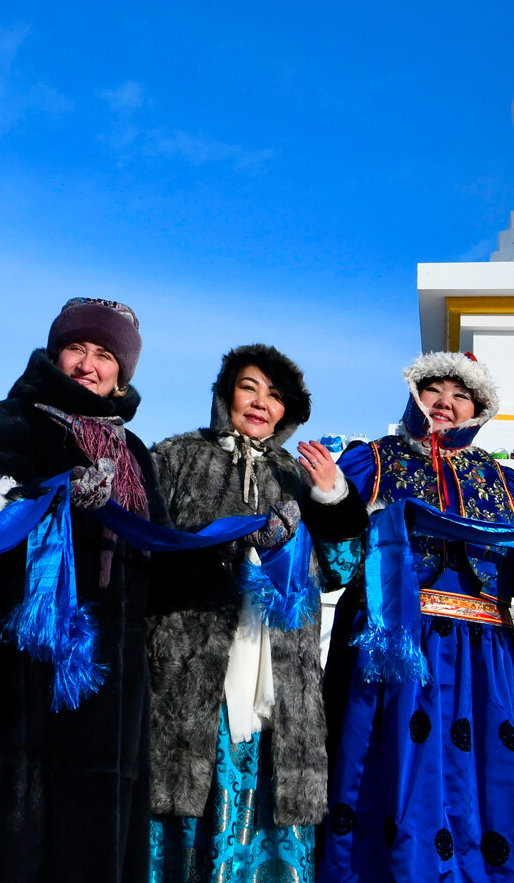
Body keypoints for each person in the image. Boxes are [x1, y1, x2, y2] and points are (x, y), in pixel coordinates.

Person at [0, 298, 171, 883]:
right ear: (57, 354)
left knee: (87, 825)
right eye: (77, 348)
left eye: (105, 354)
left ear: (122, 372)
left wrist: (239, 546)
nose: (88, 364)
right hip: (18, 655)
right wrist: (51, 493)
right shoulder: (18, 418)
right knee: (7, 816)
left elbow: (158, 548)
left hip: (107, 669)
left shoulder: (133, 452)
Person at [321, 352, 514, 883]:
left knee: (487, 777)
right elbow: (335, 556)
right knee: (395, 778)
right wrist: (331, 497)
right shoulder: (374, 461)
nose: (446, 402)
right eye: (436, 389)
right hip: (398, 649)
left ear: (477, 410)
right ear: (415, 394)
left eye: (461, 395)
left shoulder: (504, 482)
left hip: (484, 658)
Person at [143, 344, 367, 882]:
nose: (261, 402)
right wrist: (219, 552)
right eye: (250, 387)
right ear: (225, 394)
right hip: (191, 663)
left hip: (279, 672)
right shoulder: (174, 457)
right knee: (185, 792)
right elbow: (142, 549)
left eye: (275, 395)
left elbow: (339, 568)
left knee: (272, 797)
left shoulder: (299, 474)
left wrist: (332, 498)